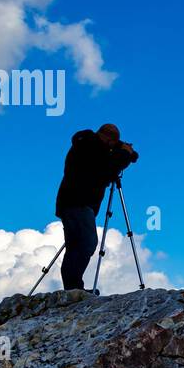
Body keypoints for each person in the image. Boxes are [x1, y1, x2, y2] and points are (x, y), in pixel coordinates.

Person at [54, 124, 139, 290]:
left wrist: (126, 153)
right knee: (86, 242)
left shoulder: (90, 145)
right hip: (77, 203)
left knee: (76, 245)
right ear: (108, 139)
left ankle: (72, 288)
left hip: (72, 203)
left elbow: (112, 163)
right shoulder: (90, 145)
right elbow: (107, 166)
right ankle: (73, 289)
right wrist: (124, 153)